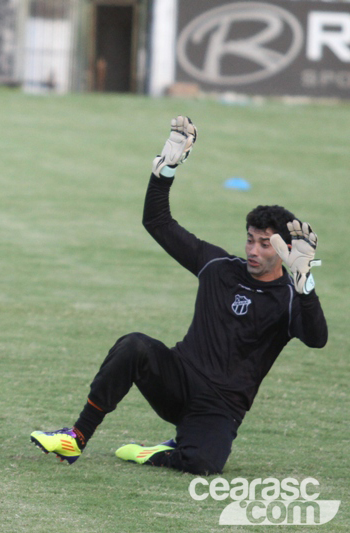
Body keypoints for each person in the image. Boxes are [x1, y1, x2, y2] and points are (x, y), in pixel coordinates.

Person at [30, 116, 328, 475]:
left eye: (265, 244)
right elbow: (158, 222)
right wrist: (164, 171)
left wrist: (305, 282)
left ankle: (159, 451)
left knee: (203, 463)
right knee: (135, 345)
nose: (253, 249)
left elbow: (317, 339)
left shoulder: (292, 295)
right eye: (250, 238)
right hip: (178, 379)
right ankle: (76, 436)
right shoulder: (217, 265)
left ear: (283, 250)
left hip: (220, 407)